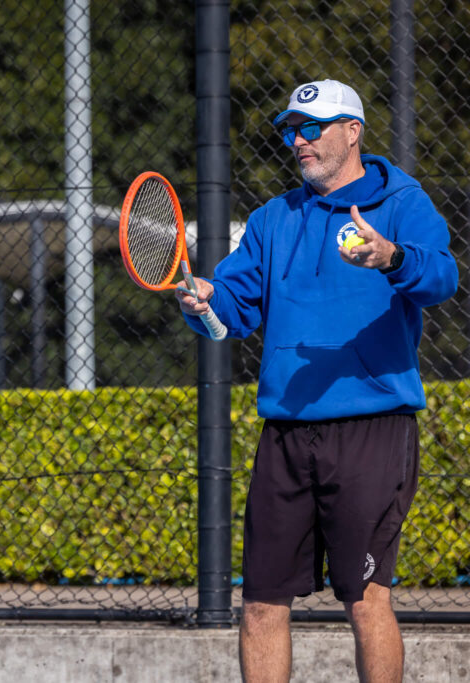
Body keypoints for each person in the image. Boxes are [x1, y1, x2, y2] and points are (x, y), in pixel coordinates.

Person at [175, 80, 458, 682]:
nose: (298, 141)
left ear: (352, 132)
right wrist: (204, 301)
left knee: (365, 599)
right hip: (285, 436)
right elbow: (233, 308)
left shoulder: (402, 202)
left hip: (373, 432)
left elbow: (441, 277)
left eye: (312, 128)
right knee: (259, 605)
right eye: (290, 130)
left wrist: (391, 257)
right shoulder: (273, 219)